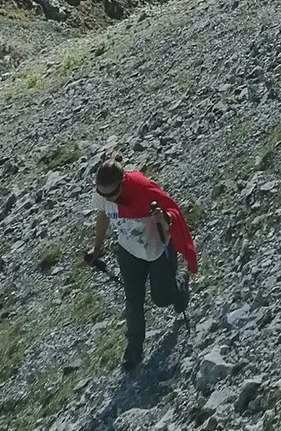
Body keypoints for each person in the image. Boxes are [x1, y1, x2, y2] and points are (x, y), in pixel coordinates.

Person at [84, 152, 198, 373]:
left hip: (158, 251)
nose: (107, 199)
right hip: (128, 253)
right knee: (133, 301)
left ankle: (180, 284)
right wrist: (96, 249)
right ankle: (133, 349)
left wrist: (164, 218)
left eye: (111, 194)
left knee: (162, 298)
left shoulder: (142, 188)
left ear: (122, 182)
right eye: (103, 194)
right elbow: (103, 216)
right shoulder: (104, 194)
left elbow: (172, 212)